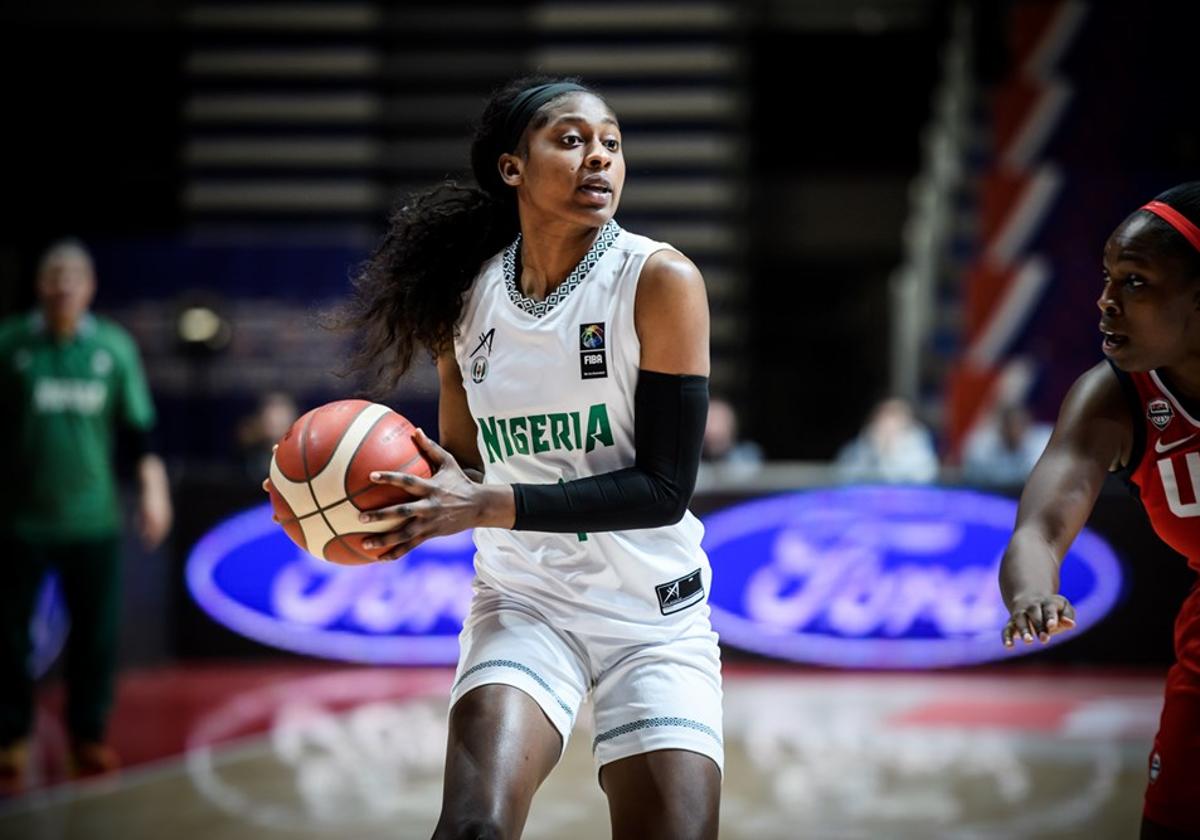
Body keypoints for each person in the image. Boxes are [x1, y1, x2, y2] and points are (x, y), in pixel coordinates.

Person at [314, 77, 721, 839]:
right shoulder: (463, 303)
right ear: (512, 168)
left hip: (653, 617)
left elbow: (664, 490)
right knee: (473, 829)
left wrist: (487, 503)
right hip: (524, 601)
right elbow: (466, 468)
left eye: (611, 142)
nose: (598, 156)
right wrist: (401, 494)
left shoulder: (659, 280)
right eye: (570, 140)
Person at [998, 182, 1200, 839]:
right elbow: (1039, 528)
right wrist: (1034, 592)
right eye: (1108, 278)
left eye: (1135, 282)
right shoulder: (1112, 398)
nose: (1106, 303)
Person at [0, 239, 172, 791]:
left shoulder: (113, 349)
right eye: (53, 275)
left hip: (93, 519)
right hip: (20, 518)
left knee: (96, 637)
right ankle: (10, 738)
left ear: (90, 287)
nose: (63, 285)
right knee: (8, 637)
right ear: (39, 285)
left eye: (73, 276)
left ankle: (87, 739)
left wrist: (153, 488)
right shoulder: (10, 344)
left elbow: (139, 429)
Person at [834, 396, 939, 484]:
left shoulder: (918, 442)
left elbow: (925, 475)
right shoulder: (862, 443)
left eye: (895, 415)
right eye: (885, 415)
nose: (889, 422)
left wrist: (891, 452)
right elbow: (845, 474)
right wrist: (875, 450)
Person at [961, 402, 1053, 485]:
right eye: (1012, 425)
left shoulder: (1041, 444)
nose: (1015, 430)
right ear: (1002, 427)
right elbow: (973, 473)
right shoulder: (983, 444)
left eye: (1020, 425)